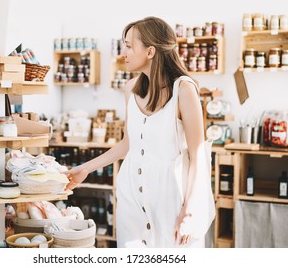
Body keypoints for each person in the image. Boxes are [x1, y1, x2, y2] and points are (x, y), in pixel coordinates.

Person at [64, 16, 211, 248]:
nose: (124, 52)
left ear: (150, 51)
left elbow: (198, 155)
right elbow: (128, 144)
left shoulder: (184, 89)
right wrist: (85, 169)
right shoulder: (130, 89)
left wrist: (189, 210)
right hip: (132, 197)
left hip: (171, 201)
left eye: (129, 46)